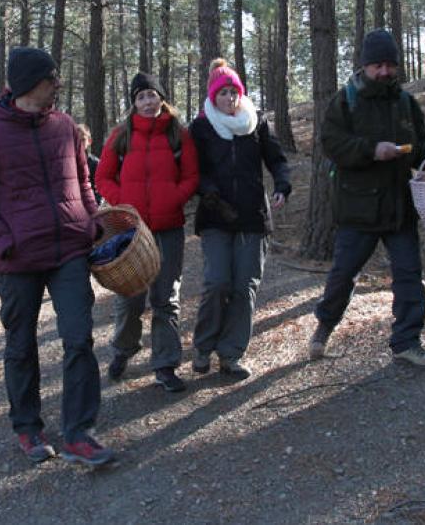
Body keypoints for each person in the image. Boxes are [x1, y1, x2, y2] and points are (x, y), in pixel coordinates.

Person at [0, 46, 115, 467]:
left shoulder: (64, 126)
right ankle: (27, 427)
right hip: (19, 260)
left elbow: (83, 179)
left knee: (79, 339)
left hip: (69, 252)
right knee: (21, 345)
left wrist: (90, 220)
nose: (58, 86)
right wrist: (3, 242)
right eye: (51, 79)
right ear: (29, 84)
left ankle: (79, 433)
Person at [307, 29, 425, 369]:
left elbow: (419, 148)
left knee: (410, 276)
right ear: (365, 66)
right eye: (377, 65)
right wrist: (371, 150)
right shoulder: (346, 101)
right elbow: (332, 143)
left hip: (400, 207)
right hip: (358, 209)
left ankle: (407, 343)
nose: (384, 71)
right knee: (343, 276)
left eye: (389, 65)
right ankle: (324, 327)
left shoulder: (405, 103)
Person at [94, 73, 199, 393]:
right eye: (141, 97)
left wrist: (174, 198)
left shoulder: (179, 135)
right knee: (130, 298)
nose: (148, 102)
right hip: (132, 231)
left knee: (166, 298)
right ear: (133, 103)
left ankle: (165, 365)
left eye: (152, 95)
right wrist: (124, 203)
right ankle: (123, 350)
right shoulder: (120, 136)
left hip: (169, 229)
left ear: (162, 98)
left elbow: (192, 176)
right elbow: (103, 177)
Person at [189, 59, 291, 379]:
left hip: (252, 217)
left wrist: (283, 185)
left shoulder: (256, 123)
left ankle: (231, 355)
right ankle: (204, 347)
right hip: (216, 216)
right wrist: (208, 191)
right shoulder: (201, 127)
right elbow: (193, 171)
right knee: (218, 282)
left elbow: (276, 159)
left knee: (245, 286)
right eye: (223, 93)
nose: (230, 98)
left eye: (235, 92)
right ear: (213, 96)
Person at [75, 123, 103, 204]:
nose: (79, 144)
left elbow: (99, 190)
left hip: (91, 205)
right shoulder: (70, 164)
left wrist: (95, 204)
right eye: (77, 140)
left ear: (89, 141)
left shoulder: (95, 163)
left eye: (83, 140)